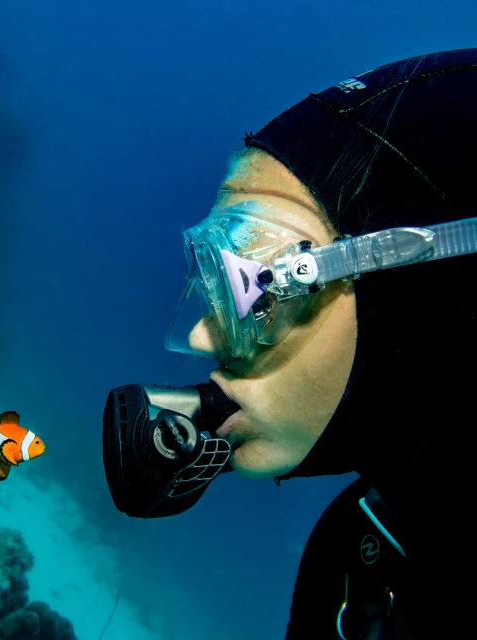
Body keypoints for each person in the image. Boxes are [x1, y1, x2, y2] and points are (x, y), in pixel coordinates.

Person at [163, 48, 477, 639]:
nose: (205, 334)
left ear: (425, 290)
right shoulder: (357, 553)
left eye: (261, 285)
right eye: (212, 279)